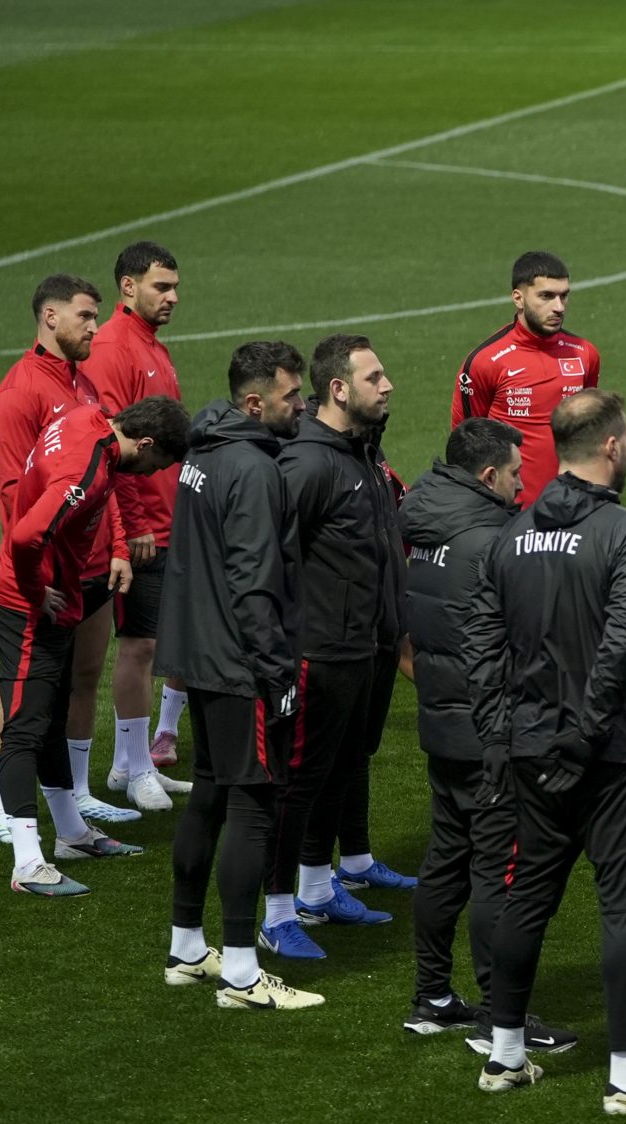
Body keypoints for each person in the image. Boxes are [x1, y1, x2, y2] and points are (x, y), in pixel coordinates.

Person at [464, 390, 626, 1113]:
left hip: (530, 751)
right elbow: (620, 646)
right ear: (613, 447)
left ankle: (505, 1055)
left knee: (527, 895)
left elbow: (482, 645)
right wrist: (585, 735)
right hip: (609, 754)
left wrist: (500, 736)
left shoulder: (511, 534)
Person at [401, 418, 576, 1047]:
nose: (523, 485)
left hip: (442, 723)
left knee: (446, 862)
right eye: (515, 474)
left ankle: (431, 998)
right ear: (487, 475)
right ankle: (501, 1020)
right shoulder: (495, 541)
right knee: (498, 874)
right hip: (492, 733)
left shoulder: (425, 529)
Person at [160, 341, 317, 1008]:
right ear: (255, 402)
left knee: (209, 793)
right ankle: (243, 976)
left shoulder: (204, 449)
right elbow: (255, 584)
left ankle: (187, 949)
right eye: (291, 395)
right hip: (239, 663)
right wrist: (277, 674)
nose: (302, 405)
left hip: (198, 653)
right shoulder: (253, 468)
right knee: (252, 806)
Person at [0, 396, 188, 895]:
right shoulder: (87, 470)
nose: (151, 474)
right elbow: (25, 536)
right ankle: (27, 863)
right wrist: (36, 592)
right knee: (25, 728)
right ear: (145, 442)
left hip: (55, 599)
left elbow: (107, 490)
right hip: (27, 606)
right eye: (156, 463)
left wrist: (118, 546)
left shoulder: (91, 422)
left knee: (53, 717)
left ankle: (72, 834)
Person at [262, 334, 405, 960]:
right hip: (318, 651)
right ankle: (275, 914)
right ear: (339, 389)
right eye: (374, 377)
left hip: (362, 644)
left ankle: (318, 890)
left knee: (340, 770)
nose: (388, 385)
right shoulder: (310, 463)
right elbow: (269, 555)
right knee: (298, 783)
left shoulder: (361, 452)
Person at [0, 273, 107, 844]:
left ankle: (70, 814)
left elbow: (104, 467)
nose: (95, 326)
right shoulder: (19, 394)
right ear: (51, 317)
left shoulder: (83, 383)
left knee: (63, 687)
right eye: (86, 316)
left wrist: (118, 544)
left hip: (83, 567)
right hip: (43, 577)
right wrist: (39, 581)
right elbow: (17, 499)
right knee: (22, 692)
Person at [84, 240, 190, 812]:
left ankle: (131, 764)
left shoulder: (151, 345)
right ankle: (133, 766)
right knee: (140, 646)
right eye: (160, 286)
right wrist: (137, 524)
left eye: (174, 287)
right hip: (146, 528)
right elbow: (112, 443)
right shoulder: (112, 349)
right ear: (128, 286)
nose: (172, 297)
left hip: (167, 519)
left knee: (153, 643)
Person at [452, 250, 598, 504]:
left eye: (564, 296)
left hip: (571, 507)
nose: (559, 307)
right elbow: (464, 448)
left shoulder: (585, 354)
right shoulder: (485, 362)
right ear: (518, 299)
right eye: (546, 296)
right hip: (509, 512)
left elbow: (587, 432)